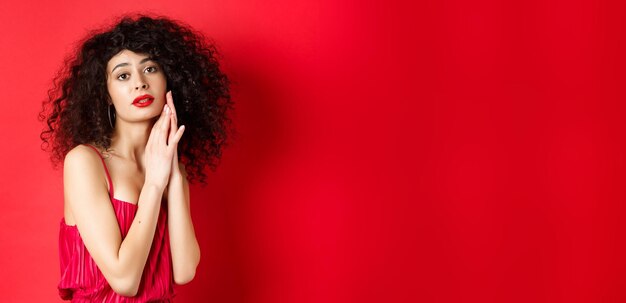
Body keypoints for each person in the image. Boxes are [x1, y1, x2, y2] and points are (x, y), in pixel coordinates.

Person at [39, 15, 233, 302]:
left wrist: (174, 174)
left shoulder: (171, 170)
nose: (140, 84)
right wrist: (154, 185)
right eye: (123, 75)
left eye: (150, 69)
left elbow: (184, 270)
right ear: (105, 94)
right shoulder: (85, 162)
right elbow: (125, 281)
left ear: (169, 81)